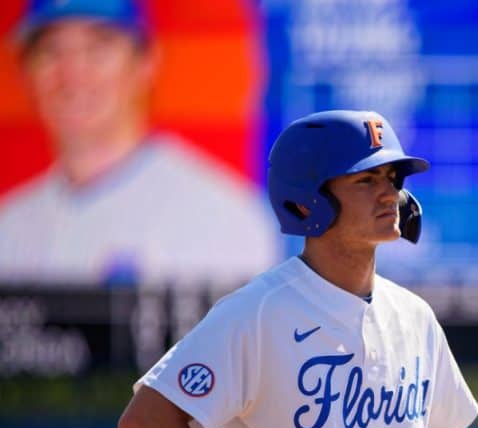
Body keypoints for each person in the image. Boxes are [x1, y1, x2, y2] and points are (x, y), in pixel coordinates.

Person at [118, 109, 478, 428]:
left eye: (392, 177)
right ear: (307, 201)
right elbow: (147, 422)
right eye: (365, 180)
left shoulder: (415, 317)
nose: (390, 191)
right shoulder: (258, 312)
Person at [0, 0, 278, 285]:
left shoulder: (221, 217)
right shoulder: (9, 227)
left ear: (146, 61)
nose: (72, 74)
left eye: (98, 48)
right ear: (26, 71)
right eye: (50, 51)